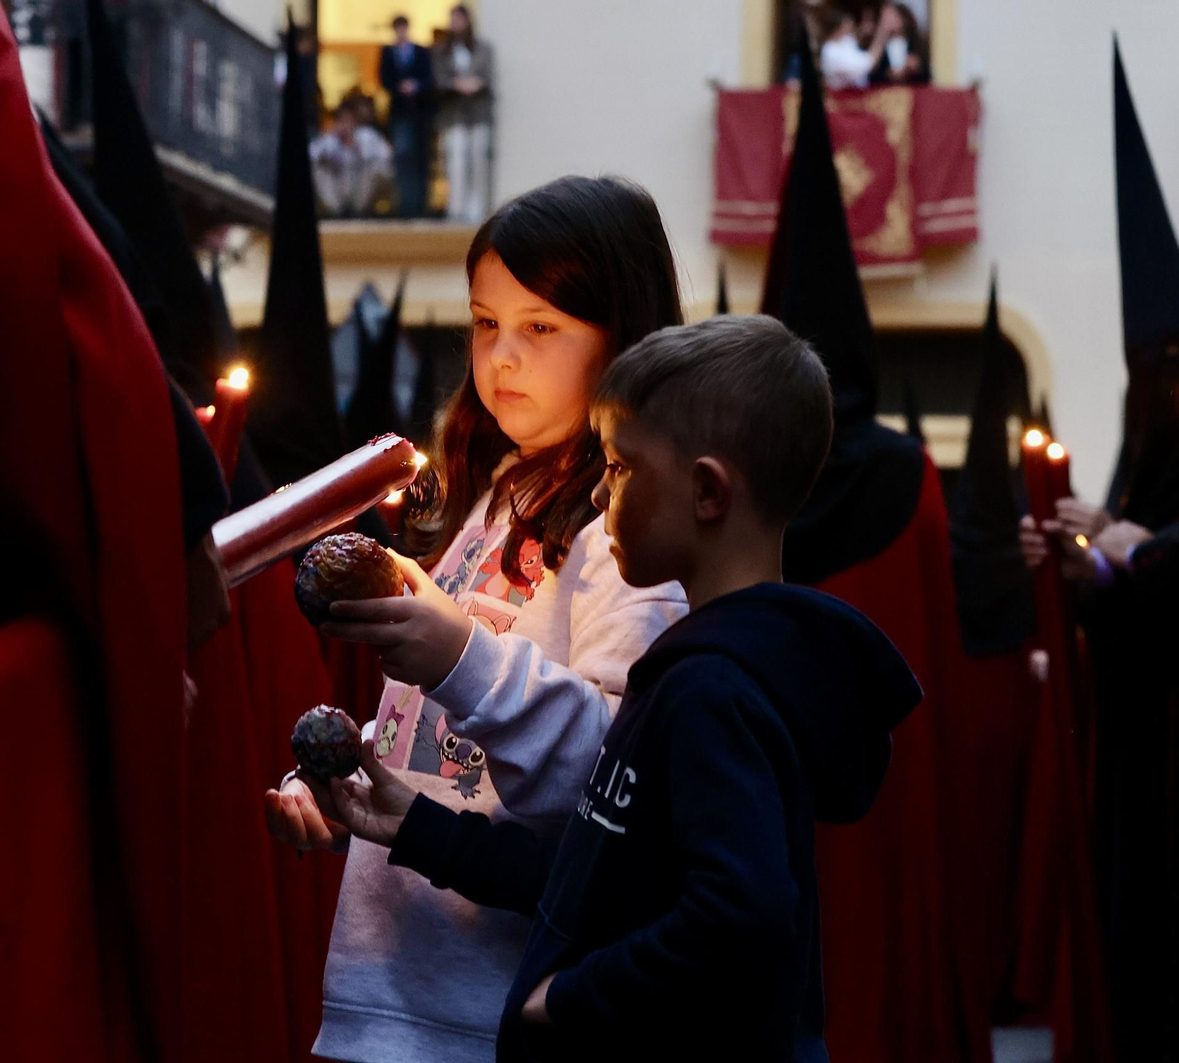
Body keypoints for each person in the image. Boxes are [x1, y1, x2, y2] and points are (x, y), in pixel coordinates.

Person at [323, 314, 921, 1061]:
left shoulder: (715, 691)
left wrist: (576, 995)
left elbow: (742, 913)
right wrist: (418, 828)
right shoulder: (698, 671)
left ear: (707, 491)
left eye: (622, 466)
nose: (602, 496)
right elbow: (603, 876)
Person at [263, 175, 688, 1063]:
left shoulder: (624, 533)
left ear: (624, 339)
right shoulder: (490, 496)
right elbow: (421, 731)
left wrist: (462, 654)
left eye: (541, 327)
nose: (500, 357)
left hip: (494, 1008)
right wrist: (343, 784)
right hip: (387, 987)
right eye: (486, 321)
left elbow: (615, 777)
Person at [436, 5, 496, 224]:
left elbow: (488, 76)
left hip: (478, 114)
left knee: (478, 159)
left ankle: (476, 207)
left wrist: (474, 83)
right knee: (456, 159)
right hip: (455, 115)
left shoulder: (482, 49)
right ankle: (456, 208)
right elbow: (439, 79)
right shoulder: (443, 51)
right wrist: (456, 84)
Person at [379, 15, 435, 217]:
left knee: (420, 157)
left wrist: (416, 86)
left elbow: (429, 77)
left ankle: (421, 204)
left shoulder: (420, 51)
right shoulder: (388, 52)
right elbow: (384, 78)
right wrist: (398, 87)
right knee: (403, 157)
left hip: (419, 112)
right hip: (400, 113)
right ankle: (405, 203)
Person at [311, 100, 394, 218]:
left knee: (371, 168)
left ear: (354, 121)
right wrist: (329, 159)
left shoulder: (366, 135)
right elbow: (313, 156)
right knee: (319, 170)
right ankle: (335, 212)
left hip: (359, 185)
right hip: (336, 185)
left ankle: (359, 211)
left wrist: (354, 145)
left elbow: (385, 157)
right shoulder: (329, 138)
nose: (345, 124)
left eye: (348, 120)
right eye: (341, 120)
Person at [870, 2, 931, 85]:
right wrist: (888, 74)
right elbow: (870, 75)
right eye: (884, 19)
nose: (888, 22)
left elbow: (927, 75)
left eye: (892, 17)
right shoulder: (878, 47)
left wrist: (916, 68)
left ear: (903, 19)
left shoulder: (917, 45)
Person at [818, 10, 874, 90]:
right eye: (847, 26)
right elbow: (864, 66)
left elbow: (862, 57)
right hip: (841, 95)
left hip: (859, 91)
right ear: (838, 28)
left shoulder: (847, 41)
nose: (850, 29)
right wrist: (881, 35)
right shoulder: (829, 50)